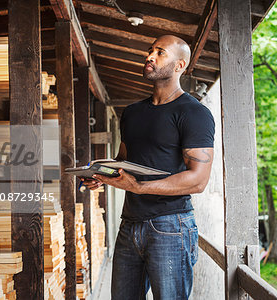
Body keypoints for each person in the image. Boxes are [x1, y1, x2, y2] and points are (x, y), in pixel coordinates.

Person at [81, 35, 215, 299]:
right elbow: (124, 161)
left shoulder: (194, 113)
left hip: (171, 226)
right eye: (150, 51)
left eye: (160, 53)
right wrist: (101, 173)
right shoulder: (132, 113)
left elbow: (198, 181)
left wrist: (139, 187)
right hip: (129, 224)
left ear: (180, 65)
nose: (150, 57)